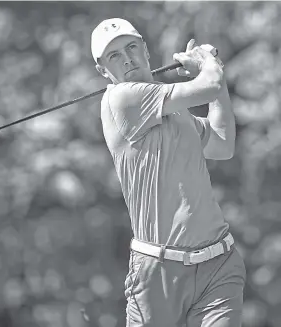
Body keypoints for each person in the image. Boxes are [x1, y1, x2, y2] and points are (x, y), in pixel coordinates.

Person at [90, 18, 246, 327]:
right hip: (158, 273)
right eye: (114, 55)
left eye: (132, 47)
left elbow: (222, 144)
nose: (127, 58)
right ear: (103, 71)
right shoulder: (121, 99)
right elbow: (208, 84)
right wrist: (209, 65)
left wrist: (216, 80)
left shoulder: (174, 108)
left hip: (218, 266)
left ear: (145, 50)